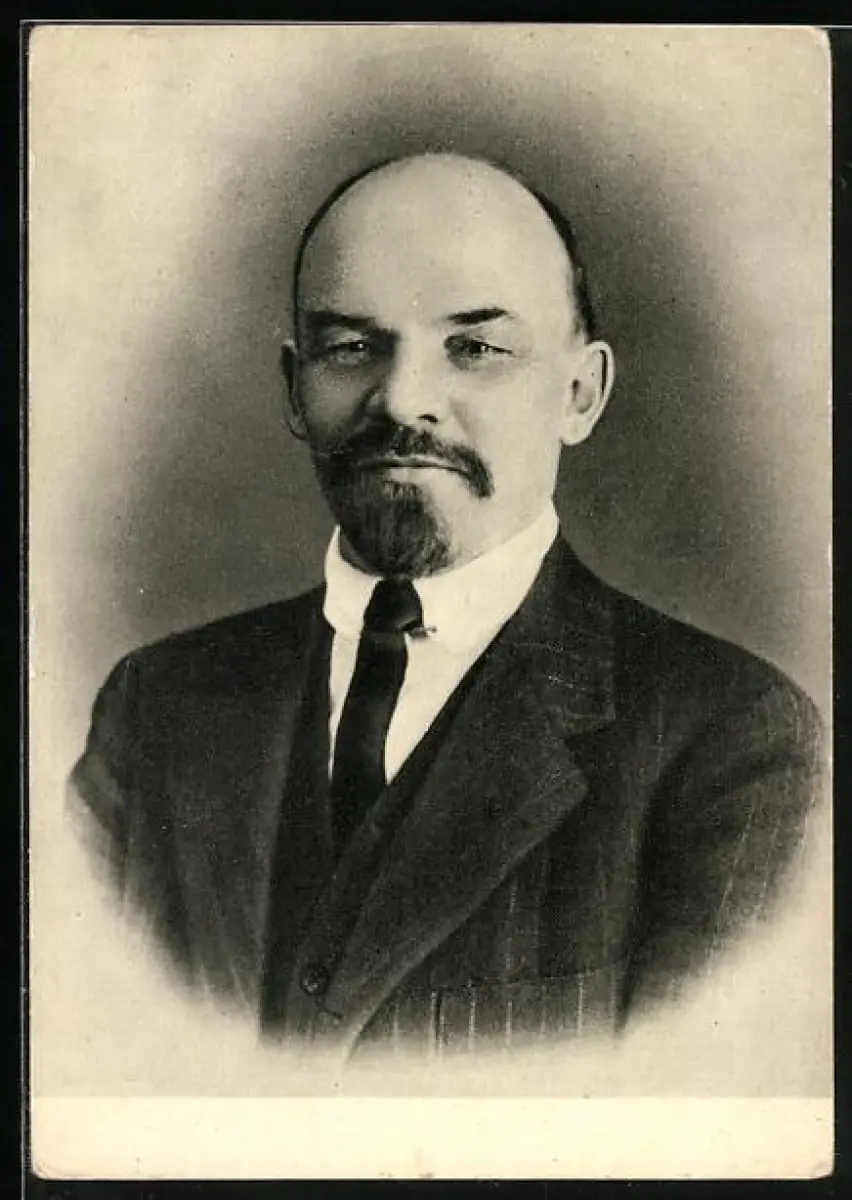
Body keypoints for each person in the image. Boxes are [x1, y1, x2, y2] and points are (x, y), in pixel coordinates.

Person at [69, 152, 822, 1064]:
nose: (403, 400)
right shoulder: (154, 708)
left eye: (475, 349)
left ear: (580, 393)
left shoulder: (731, 743)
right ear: (295, 388)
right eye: (352, 347)